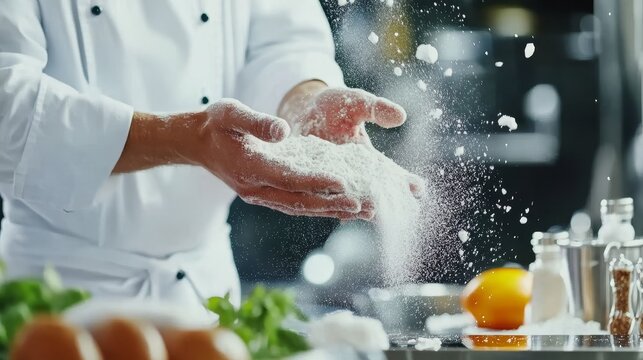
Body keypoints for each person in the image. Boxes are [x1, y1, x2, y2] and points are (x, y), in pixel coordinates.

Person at [0, 0, 420, 313]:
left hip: (205, 301)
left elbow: (281, 40)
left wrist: (303, 101)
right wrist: (188, 139)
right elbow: (7, 106)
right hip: (57, 301)